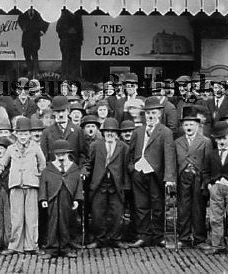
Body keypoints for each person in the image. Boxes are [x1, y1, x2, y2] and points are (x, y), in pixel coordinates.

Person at [0, 117, 46, 255]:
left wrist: (37, 175)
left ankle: (32, 246)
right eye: (20, 134)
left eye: (26, 134)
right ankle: (15, 246)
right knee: (16, 217)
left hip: (31, 185)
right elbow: (1, 163)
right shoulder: (11, 149)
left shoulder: (35, 147)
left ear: (30, 134)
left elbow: (43, 164)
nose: (23, 137)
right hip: (15, 186)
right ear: (16, 134)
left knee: (31, 218)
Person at [128, 96, 176, 248]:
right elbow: (130, 152)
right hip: (139, 173)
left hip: (155, 173)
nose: (150, 116)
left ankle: (158, 236)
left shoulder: (165, 132)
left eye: (154, 113)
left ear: (160, 114)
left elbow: (169, 155)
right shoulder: (138, 131)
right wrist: (132, 167)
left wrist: (169, 177)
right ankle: (144, 235)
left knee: (157, 205)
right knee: (140, 205)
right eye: (148, 113)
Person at [83, 117, 129, 249]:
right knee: (98, 213)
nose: (110, 133)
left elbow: (125, 167)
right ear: (103, 132)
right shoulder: (95, 146)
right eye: (107, 131)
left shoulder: (124, 147)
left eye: (113, 131)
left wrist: (126, 186)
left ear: (117, 133)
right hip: (99, 184)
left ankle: (115, 238)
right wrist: (84, 173)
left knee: (117, 213)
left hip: (116, 185)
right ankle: (100, 239)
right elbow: (88, 163)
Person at [202, 121, 228, 255]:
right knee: (215, 217)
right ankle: (217, 244)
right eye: (218, 139)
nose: (221, 141)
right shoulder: (211, 154)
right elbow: (206, 171)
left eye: (224, 138)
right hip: (216, 187)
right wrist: (209, 184)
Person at [39, 140, 83, 259]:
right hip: (52, 198)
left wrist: (77, 199)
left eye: (63, 153)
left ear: (68, 154)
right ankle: (51, 248)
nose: (61, 156)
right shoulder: (49, 169)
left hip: (67, 198)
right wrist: (43, 198)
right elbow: (43, 184)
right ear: (54, 154)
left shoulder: (73, 168)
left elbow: (78, 185)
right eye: (58, 154)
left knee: (66, 222)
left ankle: (65, 247)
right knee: (52, 222)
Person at [174, 110, 212, 250]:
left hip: (198, 178)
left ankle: (199, 239)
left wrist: (206, 181)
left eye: (191, 124)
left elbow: (208, 163)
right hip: (183, 177)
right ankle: (183, 238)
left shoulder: (205, 142)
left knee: (198, 208)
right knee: (183, 208)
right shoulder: (177, 142)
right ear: (183, 127)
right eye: (186, 125)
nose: (189, 127)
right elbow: (173, 162)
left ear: (197, 126)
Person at [40, 96, 86, 165]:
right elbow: (44, 156)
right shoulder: (47, 132)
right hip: (54, 172)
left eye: (63, 110)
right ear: (53, 112)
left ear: (68, 111)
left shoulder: (77, 130)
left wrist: (80, 171)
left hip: (72, 171)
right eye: (58, 111)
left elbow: (83, 154)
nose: (61, 114)